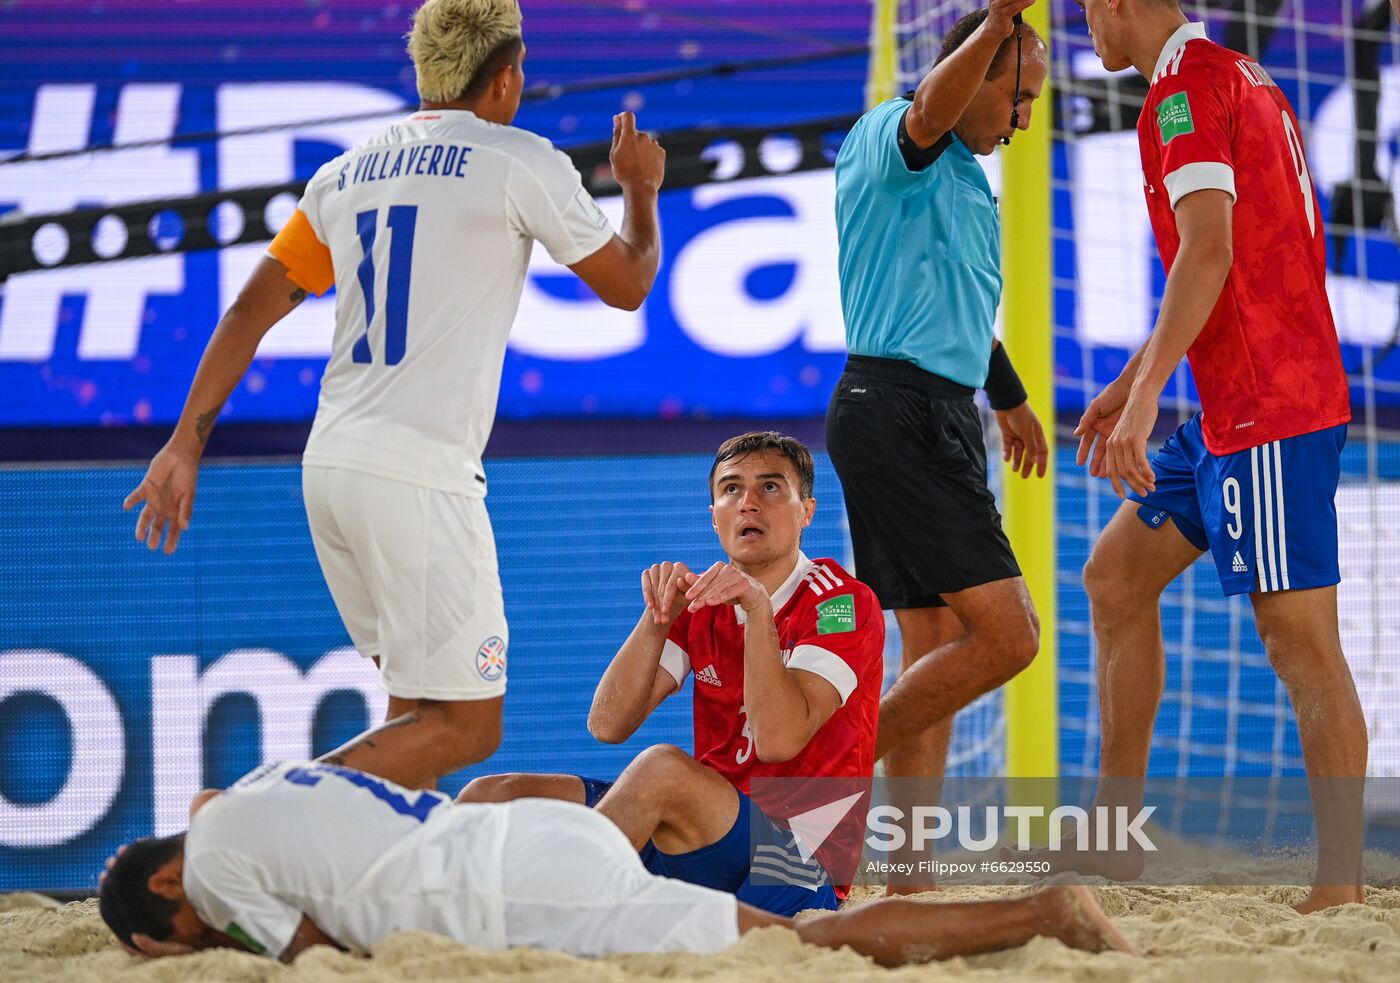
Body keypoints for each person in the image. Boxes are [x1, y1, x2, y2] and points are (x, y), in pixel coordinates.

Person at [119, 0, 666, 790]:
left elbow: (246, 311)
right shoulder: (520, 158)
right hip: (419, 478)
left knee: (414, 713)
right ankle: (261, 812)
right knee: (469, 724)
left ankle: (359, 886)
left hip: (333, 466)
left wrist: (183, 442)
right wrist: (639, 189)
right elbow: (630, 282)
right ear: (506, 78)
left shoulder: (342, 174)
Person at [1040, 0, 1365, 913]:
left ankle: (1339, 885)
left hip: (1269, 411)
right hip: (1233, 406)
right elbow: (1221, 259)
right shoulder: (1240, 76)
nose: (1082, 33)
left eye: (1083, 13)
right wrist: (1133, 378)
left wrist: (1144, 400)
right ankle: (1116, 838)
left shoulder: (1182, 93)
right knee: (1113, 578)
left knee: (1302, 647)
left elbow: (1210, 253)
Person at [98, 759, 1134, 964]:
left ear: (164, 882)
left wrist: (207, 945)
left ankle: (1038, 909)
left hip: (511, 889)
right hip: (532, 843)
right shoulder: (261, 785)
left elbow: (305, 945)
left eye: (178, 934)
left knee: (807, 942)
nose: (199, 935)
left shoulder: (211, 864)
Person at [459, 432, 884, 915]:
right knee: (493, 795)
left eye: (770, 488)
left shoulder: (840, 601)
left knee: (662, 768)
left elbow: (778, 741)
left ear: (806, 510)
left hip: (797, 864)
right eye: (730, 489)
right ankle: (424, 911)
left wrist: (758, 612)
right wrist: (658, 618)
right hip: (707, 838)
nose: (748, 503)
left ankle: (556, 912)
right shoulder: (702, 602)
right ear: (714, 515)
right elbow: (607, 726)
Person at [824, 0, 1049, 891]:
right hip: (891, 411)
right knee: (1010, 637)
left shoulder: (969, 181)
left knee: (940, 642)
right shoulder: (895, 135)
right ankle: (805, 776)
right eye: (1020, 99)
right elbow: (926, 115)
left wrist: (1011, 398)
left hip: (941, 410)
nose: (1024, 121)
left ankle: (908, 871)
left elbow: (960, 312)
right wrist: (998, 21)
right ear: (981, 69)